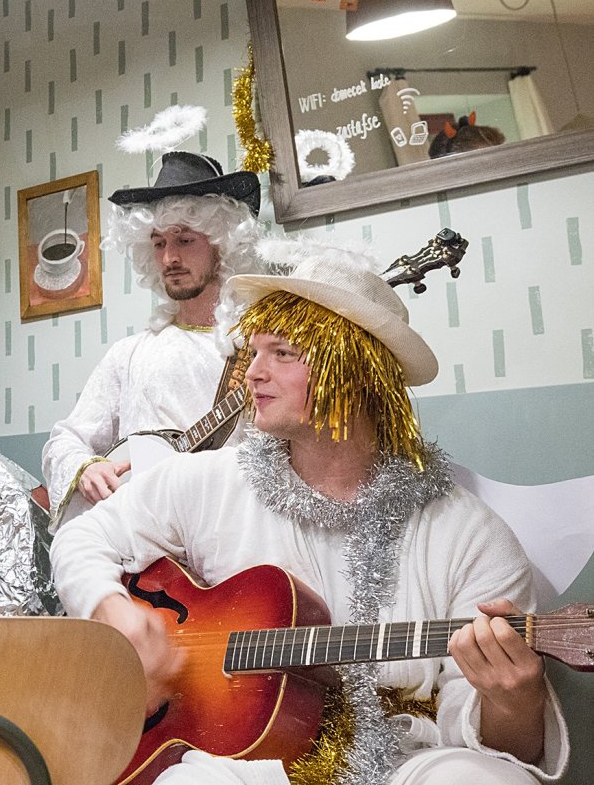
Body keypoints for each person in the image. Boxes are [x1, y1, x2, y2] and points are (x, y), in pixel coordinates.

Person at [50, 241, 569, 783]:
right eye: (253, 352)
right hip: (245, 762)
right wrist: (111, 609)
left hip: (408, 758)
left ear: (356, 370)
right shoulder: (208, 481)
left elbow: (505, 746)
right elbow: (83, 538)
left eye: (282, 353)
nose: (252, 374)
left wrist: (514, 701)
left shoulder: (469, 534)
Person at [40, 151, 262, 516]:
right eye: (159, 243)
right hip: (133, 539)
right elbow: (66, 440)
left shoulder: (260, 351)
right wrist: (86, 469)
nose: (169, 258)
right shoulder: (129, 354)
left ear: (221, 245)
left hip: (225, 530)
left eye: (184, 240)